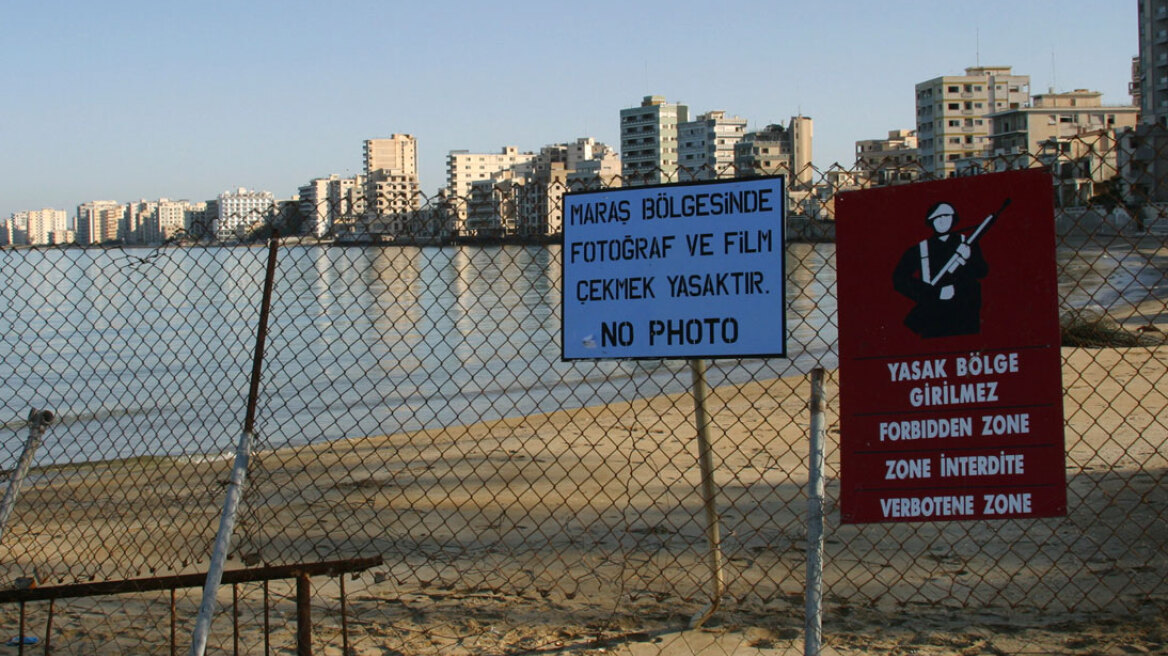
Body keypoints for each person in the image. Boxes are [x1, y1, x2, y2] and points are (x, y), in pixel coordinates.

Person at [892, 201, 988, 338]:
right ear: (931, 221)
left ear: (953, 218)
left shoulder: (966, 243)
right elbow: (899, 279)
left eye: (946, 216)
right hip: (934, 314)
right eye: (937, 217)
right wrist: (935, 293)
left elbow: (982, 272)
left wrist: (968, 258)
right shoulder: (920, 249)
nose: (942, 220)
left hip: (965, 313)